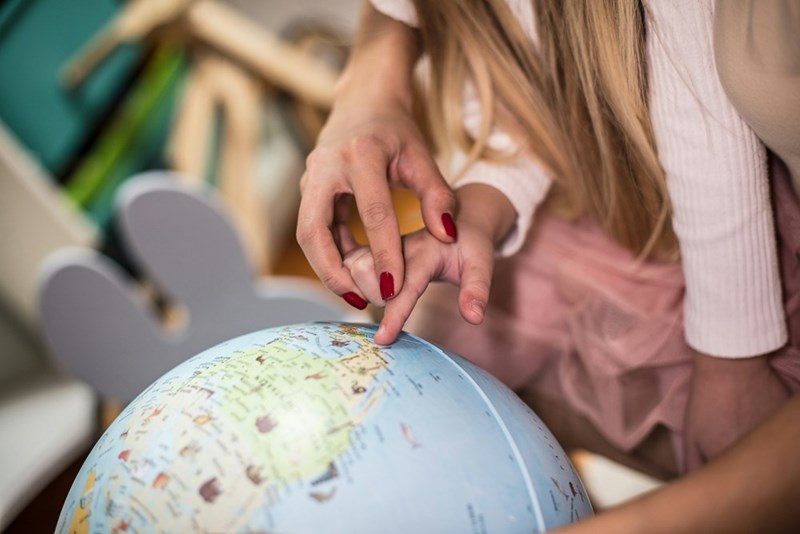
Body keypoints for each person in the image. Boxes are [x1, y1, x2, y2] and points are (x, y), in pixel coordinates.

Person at [297, 0, 799, 482]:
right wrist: (474, 215)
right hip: (624, 196)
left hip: (736, 232)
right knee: (435, 333)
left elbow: (709, 131)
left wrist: (732, 363)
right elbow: (529, 109)